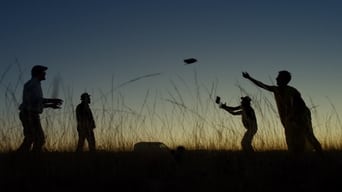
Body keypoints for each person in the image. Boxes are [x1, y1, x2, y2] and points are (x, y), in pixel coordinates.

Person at [242, 71, 322, 155]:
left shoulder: (292, 91)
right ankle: (297, 157)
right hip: (290, 118)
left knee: (308, 135)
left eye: (278, 77)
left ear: (284, 80)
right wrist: (249, 78)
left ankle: (320, 155)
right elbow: (262, 85)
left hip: (300, 116)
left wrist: (295, 117)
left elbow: (300, 105)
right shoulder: (276, 89)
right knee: (292, 138)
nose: (276, 78)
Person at [17, 65, 63, 152]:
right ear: (38, 73)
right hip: (29, 114)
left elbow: (34, 103)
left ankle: (18, 159)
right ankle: (33, 160)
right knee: (39, 139)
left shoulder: (34, 83)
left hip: (28, 113)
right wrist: (52, 100)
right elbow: (36, 100)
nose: (45, 74)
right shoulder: (34, 84)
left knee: (30, 138)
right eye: (43, 72)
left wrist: (50, 105)